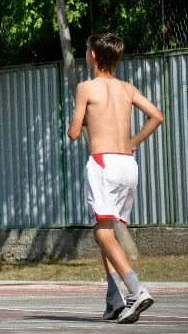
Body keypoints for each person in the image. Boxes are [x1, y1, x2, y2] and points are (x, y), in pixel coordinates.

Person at [67, 32, 164, 324]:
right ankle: (114, 300)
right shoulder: (126, 88)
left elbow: (74, 133)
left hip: (103, 163)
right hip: (127, 164)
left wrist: (82, 121)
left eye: (86, 50)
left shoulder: (86, 87)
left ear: (93, 55)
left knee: (102, 233)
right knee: (107, 231)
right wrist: (133, 141)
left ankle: (136, 290)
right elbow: (157, 116)